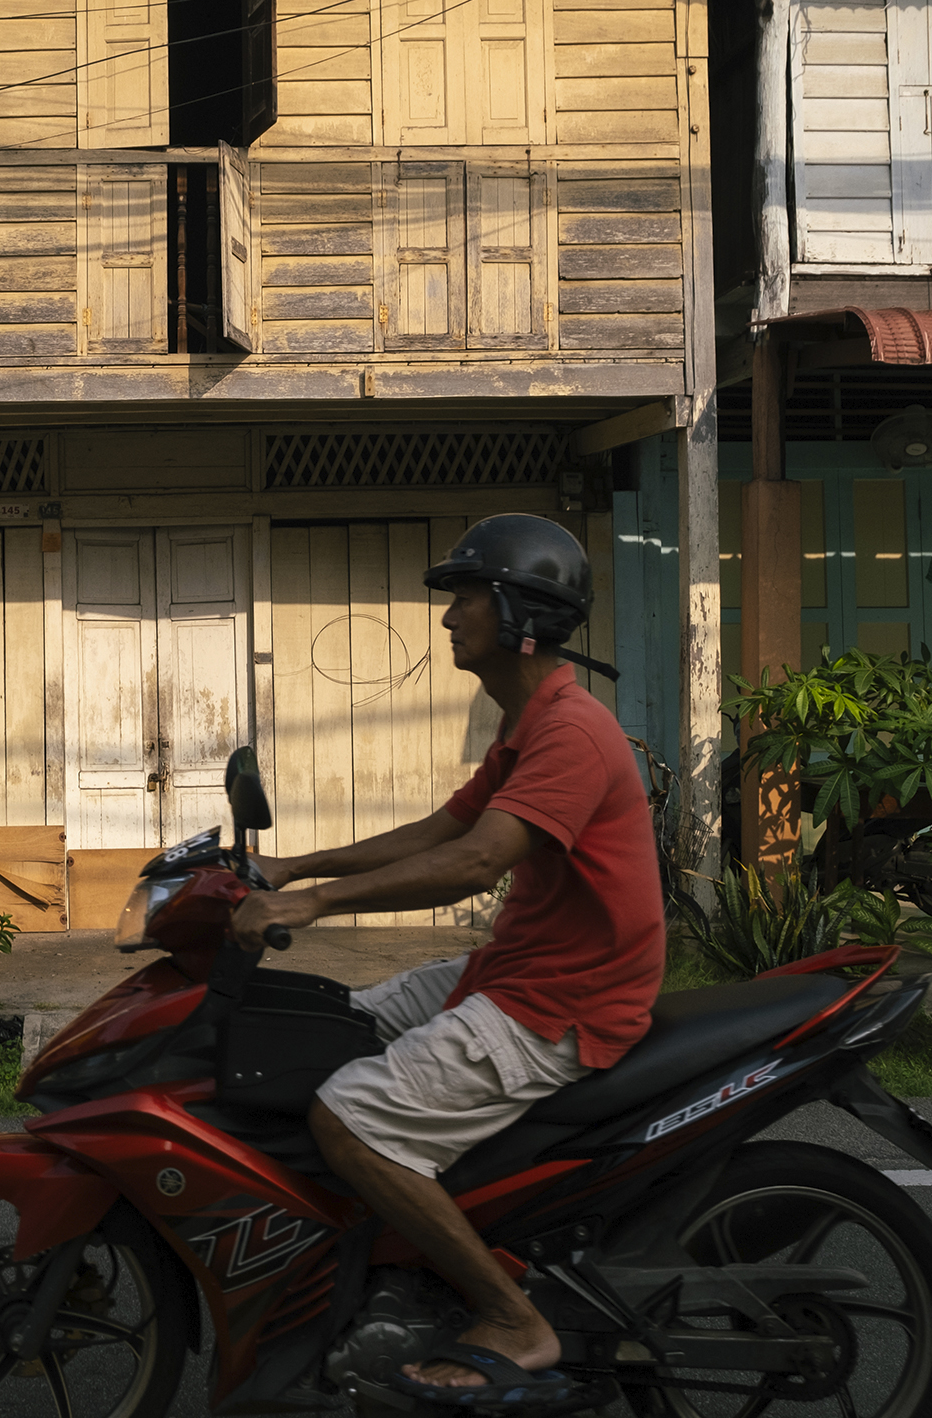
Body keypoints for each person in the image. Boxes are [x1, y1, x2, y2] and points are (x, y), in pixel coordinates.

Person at [231, 514, 664, 1409]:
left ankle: (511, 1317)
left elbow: (472, 862)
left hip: (561, 1004)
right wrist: (293, 865)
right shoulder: (526, 726)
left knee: (343, 1119)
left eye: (466, 596)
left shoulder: (572, 734)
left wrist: (309, 906)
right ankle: (381, 1250)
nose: (448, 616)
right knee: (332, 1023)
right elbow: (443, 829)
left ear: (519, 614)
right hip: (515, 971)